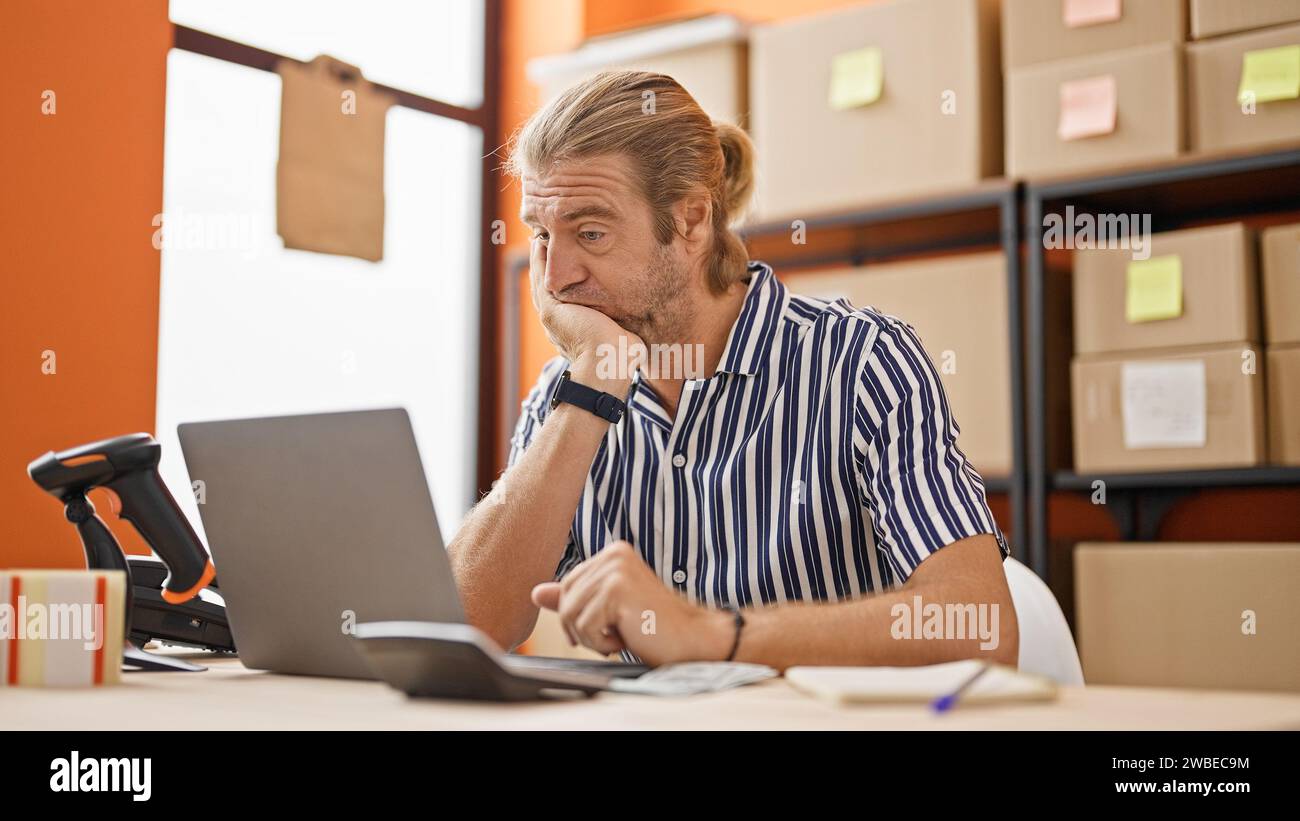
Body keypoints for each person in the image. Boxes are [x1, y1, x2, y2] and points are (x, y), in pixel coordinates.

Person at [448, 70, 1017, 670]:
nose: (557, 276)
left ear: (692, 221)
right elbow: (466, 628)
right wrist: (590, 386)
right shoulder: (568, 396)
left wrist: (712, 635)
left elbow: (981, 627)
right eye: (541, 235)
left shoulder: (860, 363)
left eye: (591, 233)